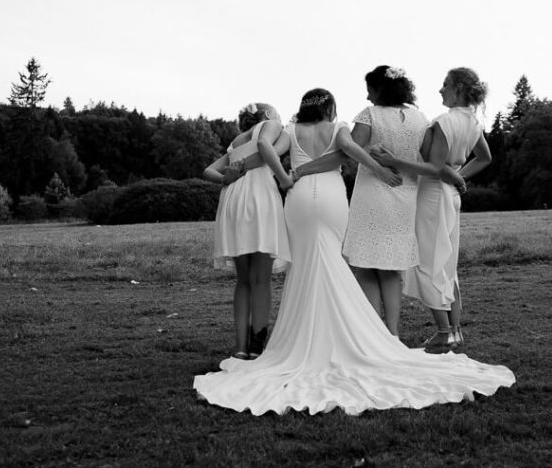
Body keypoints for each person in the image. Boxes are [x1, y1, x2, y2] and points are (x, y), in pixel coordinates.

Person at [193, 88, 514, 415]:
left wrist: (273, 173)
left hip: (300, 201)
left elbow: (264, 151)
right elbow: (347, 150)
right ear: (330, 108)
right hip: (331, 197)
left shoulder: (289, 131)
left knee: (304, 265)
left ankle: (298, 340)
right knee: (333, 261)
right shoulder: (338, 127)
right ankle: (355, 336)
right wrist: (378, 168)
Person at [299, 65, 428, 336]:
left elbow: (346, 153)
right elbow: (424, 161)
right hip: (406, 195)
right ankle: (391, 332)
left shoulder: (369, 115)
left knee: (365, 265)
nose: (368, 97)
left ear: (380, 89)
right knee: (391, 268)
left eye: (370, 90)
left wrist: (302, 169)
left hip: (373, 195)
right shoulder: (420, 118)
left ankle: (374, 335)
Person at [374, 68, 492, 352]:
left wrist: (394, 161)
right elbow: (484, 158)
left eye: (445, 85)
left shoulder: (443, 122)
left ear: (458, 88)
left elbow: (434, 168)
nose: (440, 90)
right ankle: (455, 331)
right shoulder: (473, 122)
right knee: (447, 262)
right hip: (451, 196)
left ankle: (443, 331)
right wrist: (459, 175)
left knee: (427, 262)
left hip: (432, 196)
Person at [202, 102, 290, 360]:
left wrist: (227, 177)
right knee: (261, 279)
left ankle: (240, 346)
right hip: (257, 197)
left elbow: (208, 171)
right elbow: (265, 152)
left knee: (243, 279)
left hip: (232, 199)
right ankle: (256, 346)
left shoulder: (235, 141)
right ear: (267, 115)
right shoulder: (273, 126)